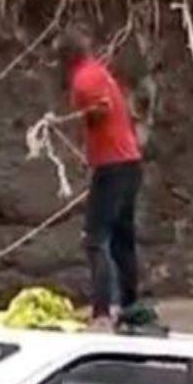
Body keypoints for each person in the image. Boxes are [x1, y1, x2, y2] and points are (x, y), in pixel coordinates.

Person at [55, 29, 143, 328]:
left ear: (66, 58)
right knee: (121, 240)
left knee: (95, 239)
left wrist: (74, 119)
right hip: (129, 162)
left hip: (113, 166)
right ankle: (129, 306)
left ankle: (102, 313)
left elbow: (101, 108)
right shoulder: (99, 72)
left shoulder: (84, 78)